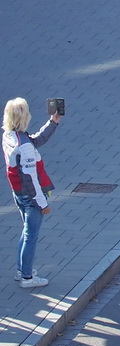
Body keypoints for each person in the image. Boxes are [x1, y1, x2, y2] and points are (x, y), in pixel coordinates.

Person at [4, 97, 62, 289]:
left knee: (26, 231)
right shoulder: (25, 146)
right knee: (31, 235)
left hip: (18, 192)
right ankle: (27, 278)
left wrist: (53, 122)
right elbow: (31, 179)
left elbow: (35, 140)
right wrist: (42, 204)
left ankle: (22, 270)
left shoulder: (9, 135)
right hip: (31, 197)